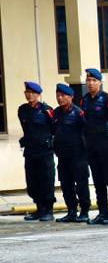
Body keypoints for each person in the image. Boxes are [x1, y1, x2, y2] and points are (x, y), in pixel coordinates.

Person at [81, 68, 108, 224]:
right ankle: (102, 212)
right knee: (98, 179)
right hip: (92, 143)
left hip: (106, 143)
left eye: (94, 80)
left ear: (100, 82)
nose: (90, 83)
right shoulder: (84, 99)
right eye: (88, 80)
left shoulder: (107, 100)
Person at [52, 83, 91, 223]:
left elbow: (86, 131)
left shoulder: (78, 113)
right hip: (63, 155)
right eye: (58, 96)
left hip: (78, 154)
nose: (60, 98)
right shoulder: (56, 113)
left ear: (71, 97)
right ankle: (71, 211)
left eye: (63, 96)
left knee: (81, 183)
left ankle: (85, 211)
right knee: (66, 184)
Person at [17, 81, 56, 221]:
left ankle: (48, 210)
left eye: (33, 93)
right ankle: (39, 209)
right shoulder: (22, 110)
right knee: (32, 182)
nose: (30, 95)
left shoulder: (47, 110)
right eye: (27, 92)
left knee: (46, 180)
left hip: (44, 151)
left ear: (39, 95)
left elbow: (54, 128)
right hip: (30, 150)